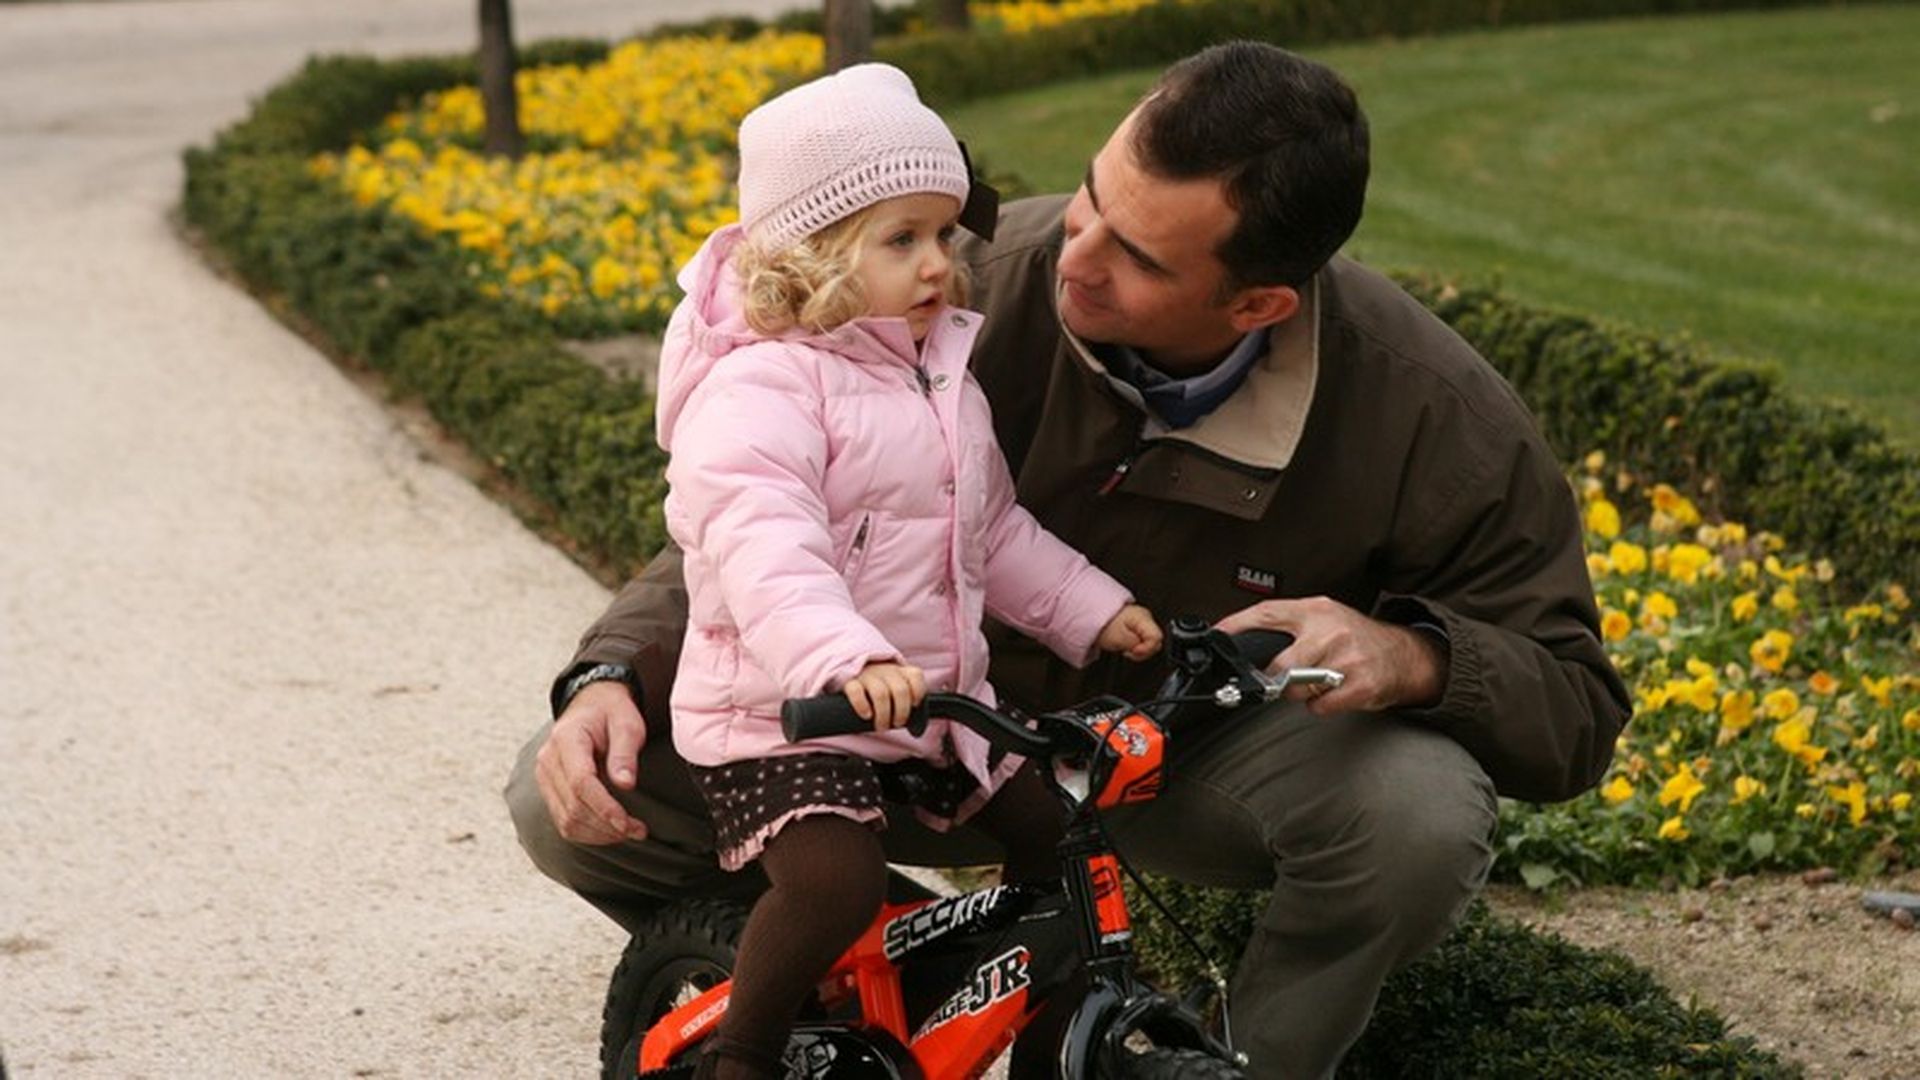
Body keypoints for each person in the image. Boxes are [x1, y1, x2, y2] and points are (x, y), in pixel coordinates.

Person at [508, 41, 1632, 1079]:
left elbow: (1575, 703)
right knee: (562, 797)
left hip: (1169, 759)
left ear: (1258, 304)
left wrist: (1416, 655)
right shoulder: (958, 280)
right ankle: (853, 1006)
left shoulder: (1431, 415)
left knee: (1418, 819)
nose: (1071, 259)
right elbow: (757, 516)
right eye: (1093, 195)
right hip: (903, 721)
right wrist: (607, 672)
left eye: (1134, 255)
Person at [622, 63, 1163, 1079]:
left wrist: (1098, 612)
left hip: (929, 707)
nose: (937, 265)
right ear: (816, 255)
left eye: (944, 236)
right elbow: (766, 551)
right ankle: (745, 1056)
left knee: (1063, 833)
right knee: (836, 883)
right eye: (901, 239)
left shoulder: (937, 374)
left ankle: (1052, 1049)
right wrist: (843, 658)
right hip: (787, 715)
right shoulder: (761, 391)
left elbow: (992, 532)